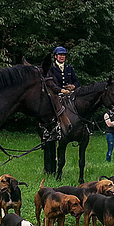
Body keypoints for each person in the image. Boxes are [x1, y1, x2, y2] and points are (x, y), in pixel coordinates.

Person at [43, 46, 80, 174]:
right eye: (60, 55)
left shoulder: (69, 68)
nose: (62, 57)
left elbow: (76, 81)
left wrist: (73, 86)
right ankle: (51, 128)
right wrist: (61, 90)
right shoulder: (51, 68)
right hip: (57, 95)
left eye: (64, 55)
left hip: (70, 94)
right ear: (55, 56)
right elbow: (51, 83)